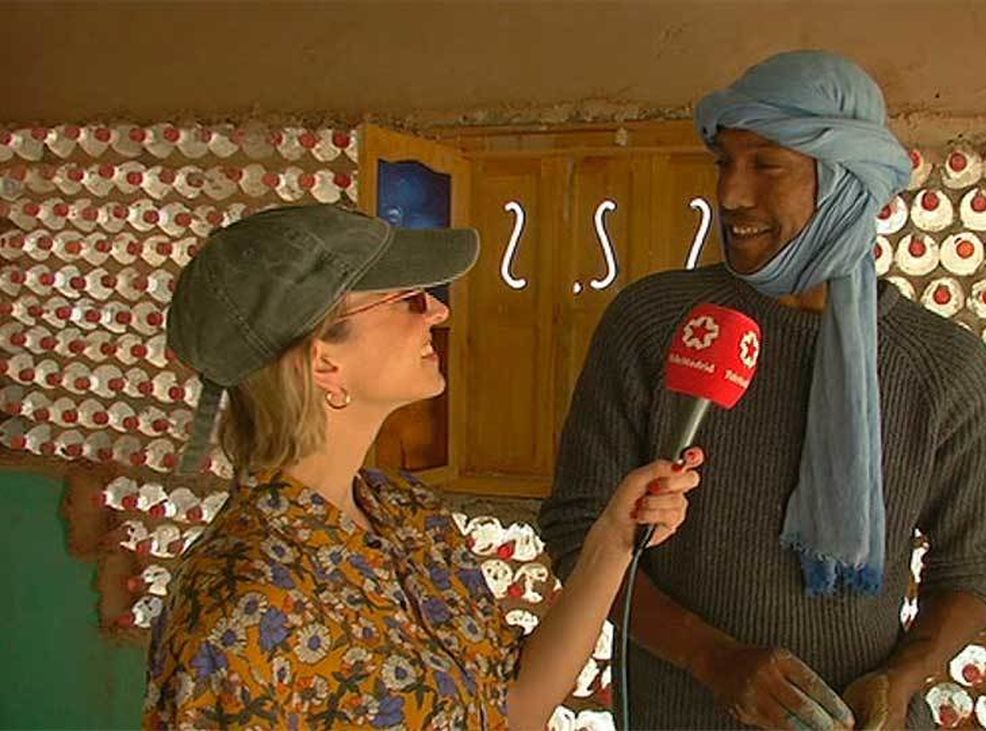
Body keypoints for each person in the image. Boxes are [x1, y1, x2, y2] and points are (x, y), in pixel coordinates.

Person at [539, 50, 986, 729]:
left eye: (766, 166)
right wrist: (710, 657)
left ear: (846, 183)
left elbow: (973, 569)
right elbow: (577, 528)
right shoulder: (656, 322)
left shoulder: (943, 365)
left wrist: (902, 678)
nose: (730, 195)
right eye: (724, 163)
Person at [143, 204, 704, 730]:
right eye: (408, 299)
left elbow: (512, 708)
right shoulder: (236, 603)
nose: (439, 311)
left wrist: (612, 540)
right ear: (324, 361)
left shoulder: (407, 512)